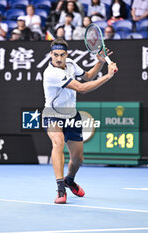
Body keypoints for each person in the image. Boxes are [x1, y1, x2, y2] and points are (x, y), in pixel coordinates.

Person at [42, 38, 118, 204]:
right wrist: (108, 76)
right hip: (52, 114)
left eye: (62, 54)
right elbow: (82, 89)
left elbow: (88, 77)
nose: (59, 58)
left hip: (71, 115)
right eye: (55, 55)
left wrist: (100, 63)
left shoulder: (70, 63)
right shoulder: (51, 73)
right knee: (58, 141)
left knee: (78, 159)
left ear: (66, 54)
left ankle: (69, 180)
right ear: (51, 55)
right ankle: (61, 189)